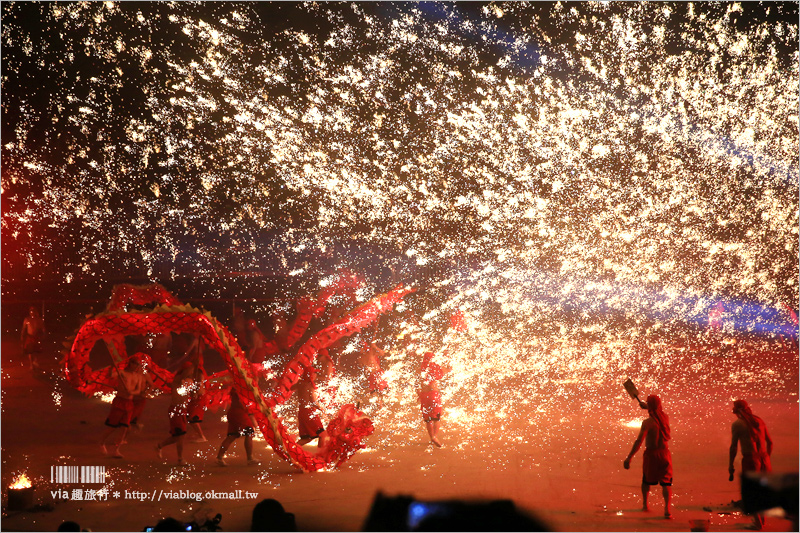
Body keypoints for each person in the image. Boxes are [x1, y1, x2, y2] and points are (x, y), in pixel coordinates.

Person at [623, 394, 673, 519]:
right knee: (666, 483)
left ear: (650, 406)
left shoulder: (647, 423)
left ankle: (645, 505)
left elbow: (639, 441)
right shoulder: (665, 418)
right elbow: (658, 412)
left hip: (651, 455)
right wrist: (647, 407)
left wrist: (629, 457)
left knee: (646, 480)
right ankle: (667, 509)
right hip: (665, 454)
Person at [729, 399, 773, 530]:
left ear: (736, 412)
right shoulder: (759, 421)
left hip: (751, 459)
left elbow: (733, 447)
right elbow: (770, 443)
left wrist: (730, 465)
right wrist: (766, 459)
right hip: (764, 459)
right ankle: (762, 521)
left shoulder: (738, 424)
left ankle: (757, 524)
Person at [101, 357, 147, 458]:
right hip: (119, 401)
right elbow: (110, 376)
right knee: (112, 427)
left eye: (137, 364)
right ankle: (101, 443)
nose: (136, 366)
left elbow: (138, 390)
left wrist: (131, 392)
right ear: (130, 364)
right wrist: (112, 367)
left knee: (124, 428)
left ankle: (116, 450)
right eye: (134, 364)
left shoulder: (138, 377)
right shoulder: (122, 373)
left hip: (129, 403)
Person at [156, 362, 196, 465]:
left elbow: (191, 394)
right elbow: (179, 392)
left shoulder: (190, 381)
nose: (192, 371)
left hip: (183, 410)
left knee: (177, 436)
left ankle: (159, 446)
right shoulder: (178, 380)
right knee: (181, 435)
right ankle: (180, 458)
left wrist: (193, 393)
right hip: (175, 410)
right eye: (190, 369)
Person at [217, 389, 259, 466]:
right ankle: (250, 458)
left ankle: (219, 458)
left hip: (233, 412)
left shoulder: (236, 386)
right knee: (249, 434)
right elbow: (242, 403)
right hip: (240, 414)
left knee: (231, 436)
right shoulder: (242, 388)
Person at [418, 351, 449, 448]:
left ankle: (431, 437)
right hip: (433, 395)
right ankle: (435, 436)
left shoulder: (420, 370)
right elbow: (448, 369)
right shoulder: (436, 368)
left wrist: (419, 395)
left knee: (428, 419)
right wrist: (447, 356)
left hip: (423, 396)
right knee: (436, 418)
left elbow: (417, 385)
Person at [293, 373, 324, 445]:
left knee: (307, 438)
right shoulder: (310, 386)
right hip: (309, 412)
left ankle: (290, 451)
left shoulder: (300, 384)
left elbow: (292, 387)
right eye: (315, 373)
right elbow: (313, 402)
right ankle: (320, 455)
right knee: (322, 434)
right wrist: (322, 409)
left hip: (302, 412)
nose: (316, 375)